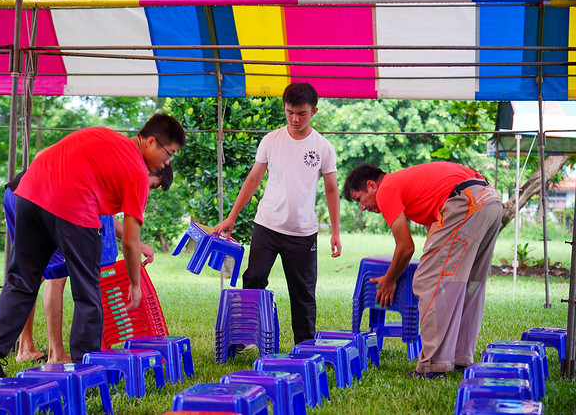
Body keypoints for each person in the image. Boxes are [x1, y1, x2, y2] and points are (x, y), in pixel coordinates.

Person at [0, 114, 186, 380]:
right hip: (72, 205)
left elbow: (47, 154)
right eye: (169, 154)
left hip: (28, 192)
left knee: (22, 281)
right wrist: (134, 284)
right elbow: (131, 243)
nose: (168, 162)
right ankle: (86, 368)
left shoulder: (102, 134)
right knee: (87, 290)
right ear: (151, 141)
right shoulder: (137, 173)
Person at [343, 161, 502, 378]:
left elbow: (406, 247)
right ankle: (460, 357)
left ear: (372, 185)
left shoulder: (386, 189)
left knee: (428, 280)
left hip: (466, 201)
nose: (362, 207)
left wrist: (390, 279)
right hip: (490, 200)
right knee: (468, 283)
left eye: (359, 199)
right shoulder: (410, 185)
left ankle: (434, 365)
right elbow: (436, 237)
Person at [214, 82, 342, 346]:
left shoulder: (323, 147)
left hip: (303, 233)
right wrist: (231, 217)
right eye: (289, 112)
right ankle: (245, 336)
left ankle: (304, 346)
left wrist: (336, 233)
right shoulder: (271, 140)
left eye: (302, 113)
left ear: (314, 112)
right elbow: (253, 179)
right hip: (267, 225)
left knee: (303, 293)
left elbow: (331, 190)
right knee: (253, 278)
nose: (295, 119)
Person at [8, 165, 174, 364]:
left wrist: (137, 244)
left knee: (31, 272)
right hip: (42, 195)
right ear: (148, 170)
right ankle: (56, 354)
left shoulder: (112, 165)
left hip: (18, 192)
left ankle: (25, 347)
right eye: (152, 186)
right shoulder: (120, 171)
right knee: (58, 273)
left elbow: (103, 214)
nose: (146, 192)